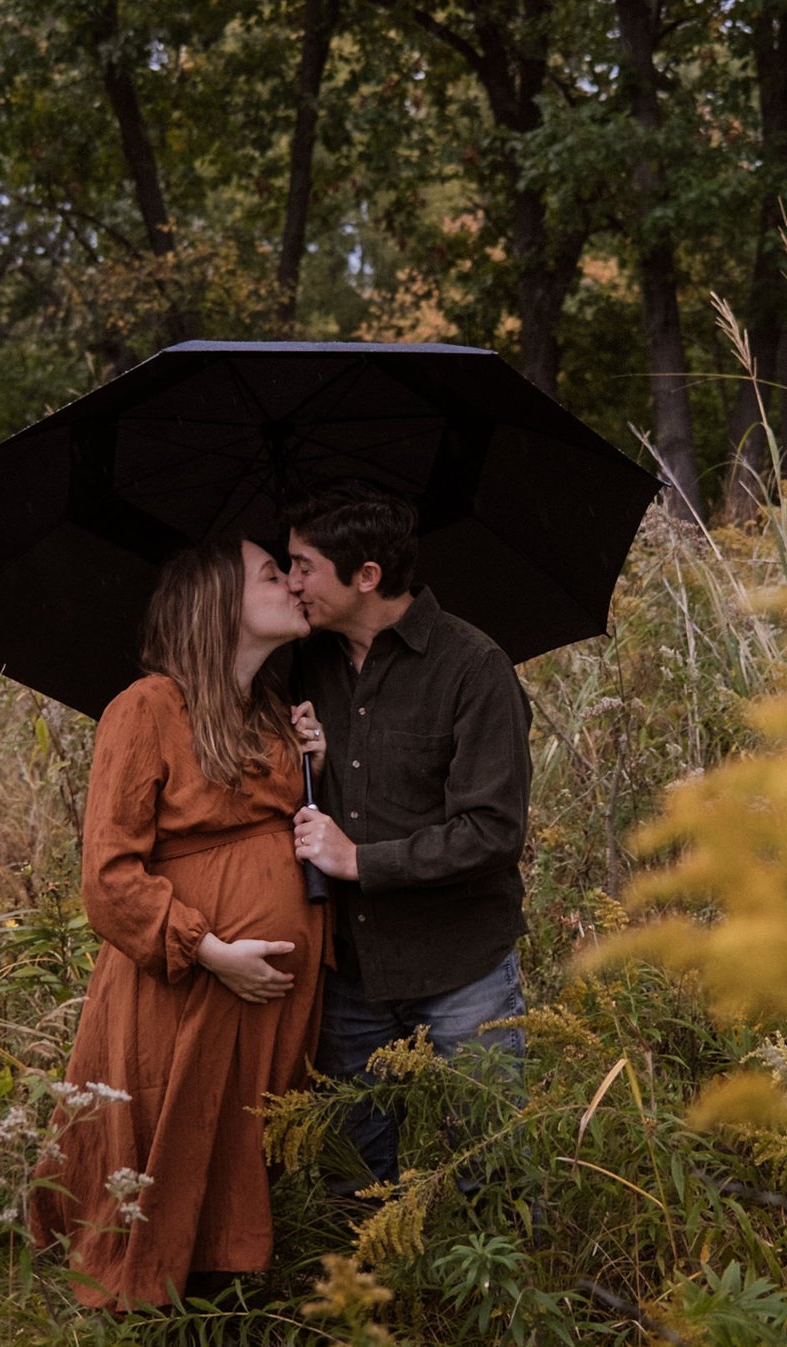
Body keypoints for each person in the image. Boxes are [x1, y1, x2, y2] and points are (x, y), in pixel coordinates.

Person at [29, 537, 332, 1308]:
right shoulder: (145, 709)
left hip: (263, 998)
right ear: (218, 602)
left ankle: (227, 1307)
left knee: (231, 1149)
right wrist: (211, 948)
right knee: (169, 1138)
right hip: (184, 987)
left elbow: (281, 840)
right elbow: (108, 877)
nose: (293, 584)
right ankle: (148, 1306)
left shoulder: (270, 713)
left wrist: (312, 772)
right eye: (273, 573)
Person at [284, 481, 533, 1185]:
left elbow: (492, 829)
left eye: (303, 565)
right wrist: (318, 769)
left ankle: (495, 1294)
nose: (291, 581)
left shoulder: (473, 667)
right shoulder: (308, 663)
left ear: (366, 576)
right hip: (353, 974)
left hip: (461, 970)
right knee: (353, 1179)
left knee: (491, 1170)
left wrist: (359, 859)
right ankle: (367, 1298)